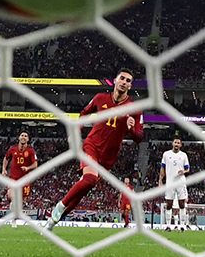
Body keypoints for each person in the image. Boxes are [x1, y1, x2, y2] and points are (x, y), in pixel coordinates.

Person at [45, 69, 145, 229]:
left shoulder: (135, 109)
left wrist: (132, 129)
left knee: (83, 190)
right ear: (115, 80)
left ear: (130, 86)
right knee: (90, 179)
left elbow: (139, 137)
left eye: (128, 80)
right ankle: (60, 206)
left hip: (108, 158)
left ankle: (52, 222)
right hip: (91, 146)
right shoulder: (100, 98)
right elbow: (84, 113)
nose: (124, 82)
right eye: (122, 78)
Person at [1, 131, 39, 225]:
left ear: (28, 139)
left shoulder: (30, 151)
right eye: (22, 135)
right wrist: (4, 169)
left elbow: (35, 164)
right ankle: (12, 204)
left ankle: (14, 219)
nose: (23, 137)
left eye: (26, 136)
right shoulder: (13, 149)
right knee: (10, 196)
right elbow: (6, 158)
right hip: (13, 177)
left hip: (25, 179)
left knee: (21, 201)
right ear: (19, 137)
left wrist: (28, 168)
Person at [158, 137, 191, 231]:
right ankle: (168, 226)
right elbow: (162, 168)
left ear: (180, 145)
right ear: (172, 144)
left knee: (182, 204)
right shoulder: (166, 154)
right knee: (169, 204)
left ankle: (182, 226)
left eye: (178, 143)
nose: (176, 144)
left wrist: (184, 171)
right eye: (175, 142)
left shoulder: (183, 155)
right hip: (170, 182)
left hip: (181, 182)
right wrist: (160, 180)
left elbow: (188, 169)